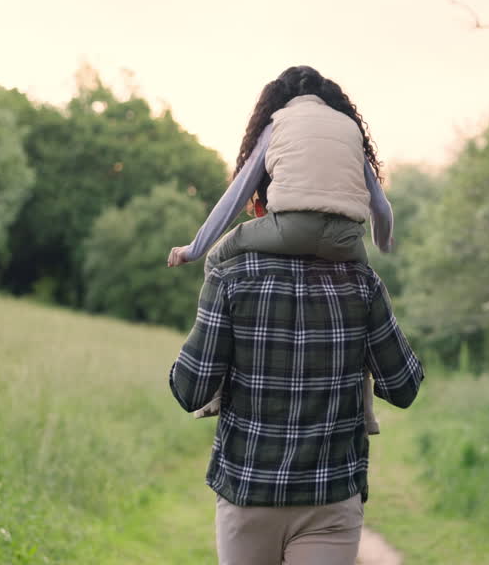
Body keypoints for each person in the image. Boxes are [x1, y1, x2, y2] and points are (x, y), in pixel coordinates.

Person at [167, 65, 394, 434]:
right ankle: (367, 413)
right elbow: (381, 206)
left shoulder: (277, 124)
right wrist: (382, 244)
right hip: (347, 239)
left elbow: (237, 194)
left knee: (218, 260)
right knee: (365, 303)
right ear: (331, 100)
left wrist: (194, 248)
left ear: (279, 98)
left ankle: (215, 389)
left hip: (289, 229)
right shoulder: (349, 129)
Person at [169, 248, 424, 565]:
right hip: (331, 498)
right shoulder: (362, 282)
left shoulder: (229, 277)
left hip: (248, 494)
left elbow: (189, 390)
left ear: (257, 206)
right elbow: (403, 387)